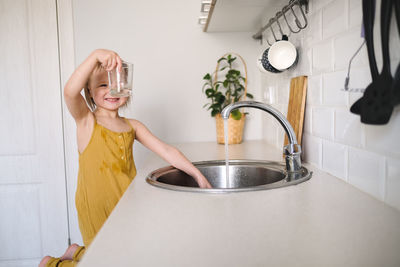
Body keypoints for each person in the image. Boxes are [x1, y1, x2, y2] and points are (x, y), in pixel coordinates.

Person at [39, 49, 212, 267]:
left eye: (119, 83)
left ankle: (77, 251)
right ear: (90, 92)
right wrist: (95, 56)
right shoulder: (86, 122)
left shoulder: (133, 126)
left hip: (126, 203)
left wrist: (198, 174)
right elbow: (69, 92)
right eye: (103, 84)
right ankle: (50, 263)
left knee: (119, 254)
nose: (113, 89)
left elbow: (167, 151)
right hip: (96, 205)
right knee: (103, 259)